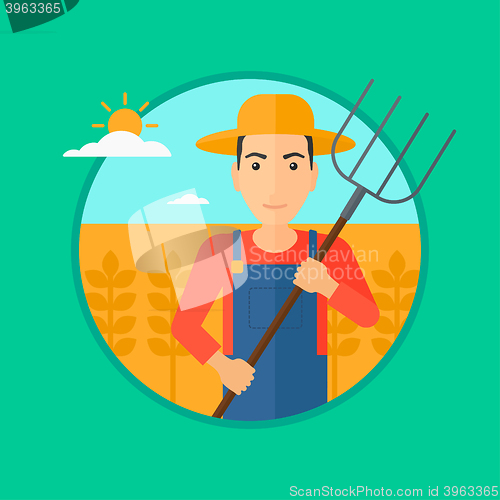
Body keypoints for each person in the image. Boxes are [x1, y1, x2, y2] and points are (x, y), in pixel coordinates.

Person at [171, 94, 379, 420]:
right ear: (236, 174)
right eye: (257, 165)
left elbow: (368, 316)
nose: (275, 183)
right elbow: (184, 325)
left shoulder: (332, 249)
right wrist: (222, 366)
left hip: (311, 396)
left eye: (292, 165)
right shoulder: (221, 249)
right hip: (242, 392)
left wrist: (327, 286)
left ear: (313, 174)